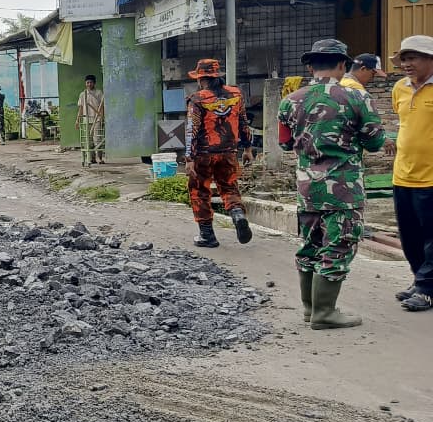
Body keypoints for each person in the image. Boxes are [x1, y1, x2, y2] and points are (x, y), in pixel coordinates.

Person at [278, 39, 386, 329]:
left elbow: (285, 143)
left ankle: (310, 309)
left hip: (307, 189)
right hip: (343, 190)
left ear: (311, 66)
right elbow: (375, 142)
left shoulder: (290, 100)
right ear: (342, 65)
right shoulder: (356, 98)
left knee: (310, 245)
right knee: (338, 245)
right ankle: (325, 313)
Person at [184, 59, 254, 248]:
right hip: (229, 152)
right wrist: (247, 149)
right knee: (229, 188)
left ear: (201, 78)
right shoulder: (236, 94)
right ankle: (238, 215)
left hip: (203, 155)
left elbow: (192, 129)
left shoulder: (197, 99)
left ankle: (207, 236)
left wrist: (189, 158)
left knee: (199, 191)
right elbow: (243, 123)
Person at [387, 34, 433, 313]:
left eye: (413, 57)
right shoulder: (399, 89)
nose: (406, 63)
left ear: (430, 60)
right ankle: (420, 279)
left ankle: (428, 289)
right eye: (404, 58)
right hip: (402, 174)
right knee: (410, 236)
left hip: (431, 177)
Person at [76, 75, 107, 166]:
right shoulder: (83, 94)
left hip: (97, 119)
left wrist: (101, 117)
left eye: (91, 82)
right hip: (86, 120)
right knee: (88, 141)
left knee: (97, 139)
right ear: (85, 83)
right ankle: (91, 158)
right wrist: (77, 120)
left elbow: (102, 106)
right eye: (87, 82)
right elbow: (81, 108)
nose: (89, 84)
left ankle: (99, 158)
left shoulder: (98, 93)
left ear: (94, 83)